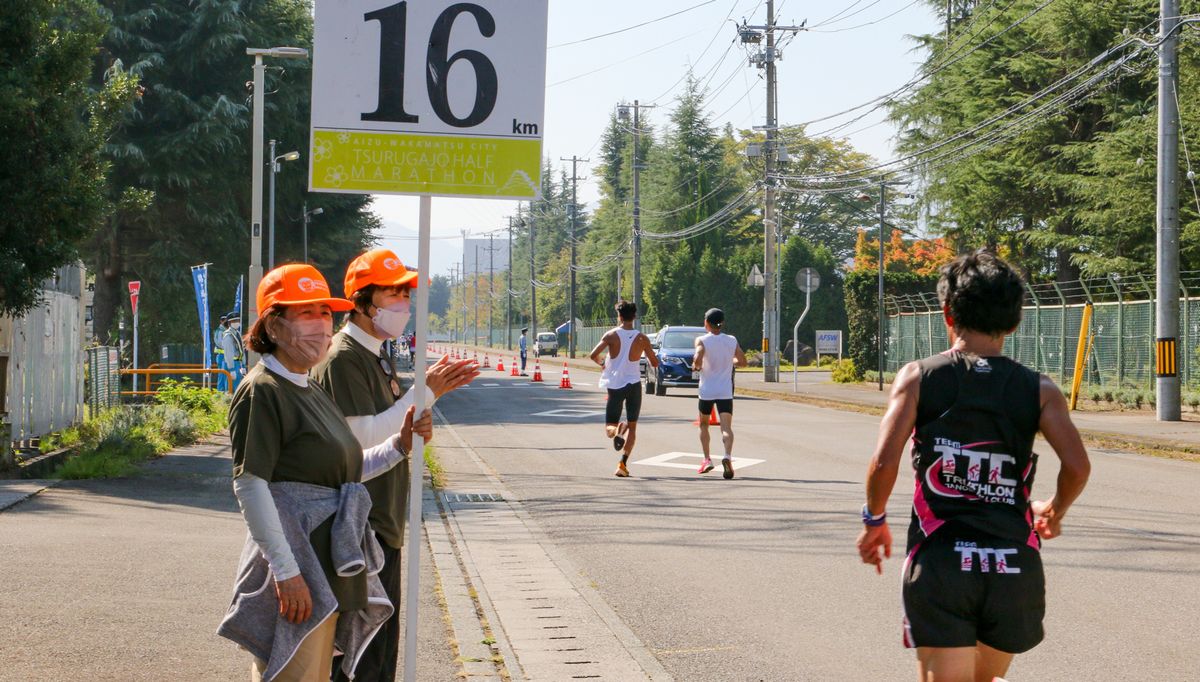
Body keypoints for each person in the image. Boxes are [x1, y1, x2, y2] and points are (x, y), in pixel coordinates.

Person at [856, 251, 1091, 682]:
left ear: (948, 313)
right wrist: (1054, 511)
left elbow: (884, 461)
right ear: (1015, 322)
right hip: (1013, 566)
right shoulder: (1040, 389)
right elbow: (1077, 465)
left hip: (943, 561)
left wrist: (874, 520)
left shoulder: (919, 377)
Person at [220, 263, 434, 681]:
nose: (321, 325)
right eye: (306, 314)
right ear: (274, 325)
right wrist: (286, 571)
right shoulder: (263, 389)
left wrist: (399, 445)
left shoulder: (307, 384)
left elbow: (346, 473)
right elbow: (250, 484)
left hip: (326, 563)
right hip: (300, 563)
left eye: (325, 313)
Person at [311, 248, 478, 682]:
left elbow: (391, 429)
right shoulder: (344, 357)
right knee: (361, 654)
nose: (403, 303)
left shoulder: (375, 354)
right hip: (358, 526)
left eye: (406, 293)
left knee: (380, 651)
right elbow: (360, 440)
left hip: (381, 520)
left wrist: (418, 417)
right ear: (364, 303)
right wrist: (425, 394)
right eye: (393, 293)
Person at [589, 300, 659, 478]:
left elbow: (593, 355)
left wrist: (603, 364)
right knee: (633, 427)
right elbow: (654, 362)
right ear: (634, 316)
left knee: (608, 429)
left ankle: (617, 430)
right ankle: (622, 464)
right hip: (634, 385)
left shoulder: (611, 335)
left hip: (615, 386)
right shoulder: (642, 338)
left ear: (619, 316)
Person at [693, 308, 747, 479]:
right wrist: (730, 360)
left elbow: (698, 358)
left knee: (704, 425)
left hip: (707, 390)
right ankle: (727, 456)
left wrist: (697, 365)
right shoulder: (731, 340)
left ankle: (707, 459)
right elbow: (743, 361)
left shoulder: (701, 339)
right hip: (725, 390)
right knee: (726, 427)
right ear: (722, 323)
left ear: (706, 323)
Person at [220, 311, 246, 392]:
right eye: (234, 321)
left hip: (238, 363)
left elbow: (241, 350)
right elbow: (228, 353)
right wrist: (231, 369)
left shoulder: (237, 333)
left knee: (238, 389)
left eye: (238, 321)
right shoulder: (228, 335)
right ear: (229, 323)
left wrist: (243, 365)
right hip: (231, 364)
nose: (237, 323)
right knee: (230, 390)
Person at [213, 314, 229, 392]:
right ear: (221, 321)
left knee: (226, 375)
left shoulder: (226, 330)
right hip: (222, 356)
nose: (224, 321)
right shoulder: (220, 331)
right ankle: (220, 393)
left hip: (226, 355)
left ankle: (225, 392)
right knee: (222, 375)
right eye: (223, 319)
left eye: (226, 319)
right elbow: (219, 343)